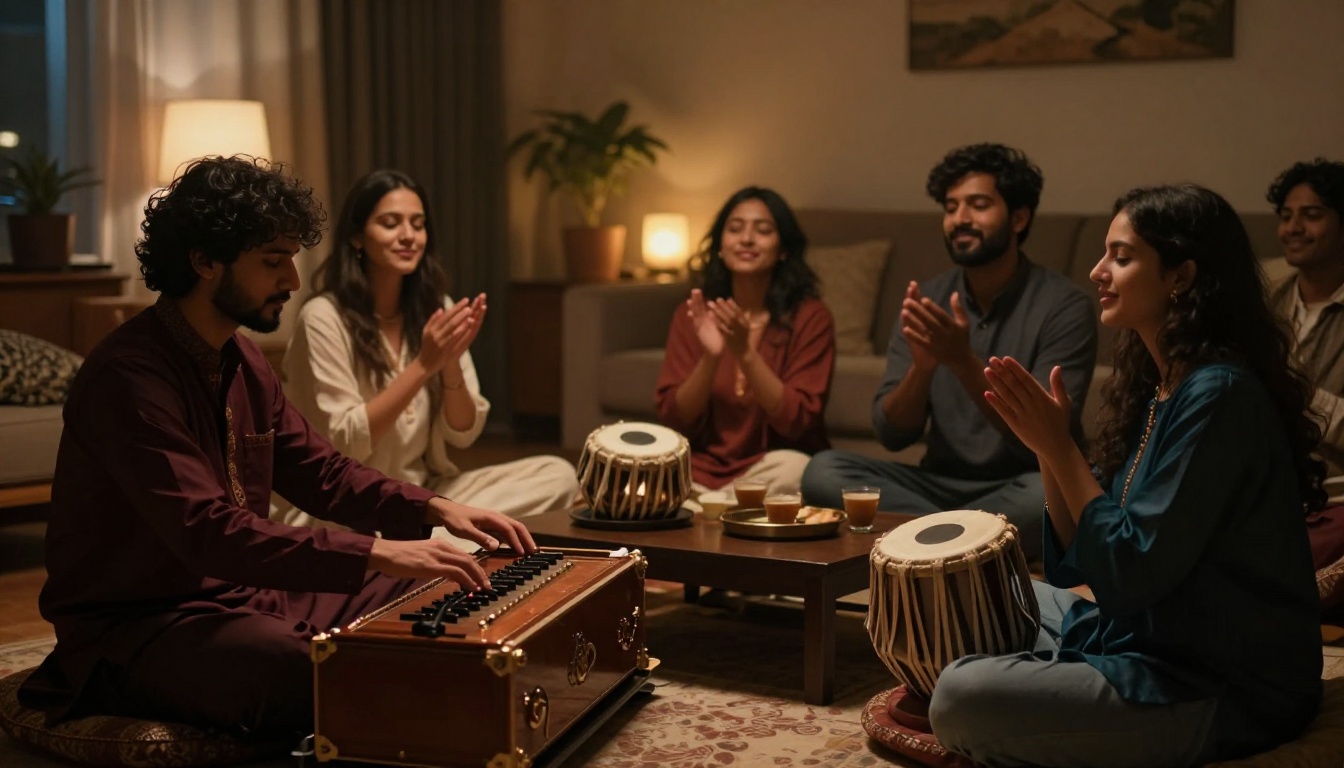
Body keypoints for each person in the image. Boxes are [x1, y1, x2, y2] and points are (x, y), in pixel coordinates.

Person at [19, 156, 536, 741]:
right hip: (142, 624)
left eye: (291, 259)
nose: (292, 280)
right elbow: (207, 531)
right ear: (205, 261)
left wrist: (432, 509)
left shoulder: (245, 363)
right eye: (273, 262)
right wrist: (376, 551)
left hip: (245, 595)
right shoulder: (129, 377)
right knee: (307, 665)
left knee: (442, 585)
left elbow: (323, 473)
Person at [930, 184, 1325, 766]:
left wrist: (1060, 445)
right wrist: (1045, 445)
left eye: (1121, 256)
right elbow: (1082, 559)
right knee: (980, 592)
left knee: (960, 695)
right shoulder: (1159, 382)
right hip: (1142, 633)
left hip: (1212, 683)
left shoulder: (1218, 394)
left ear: (1181, 276)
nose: (1096, 271)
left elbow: (1130, 571)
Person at [801, 144, 1096, 556]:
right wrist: (921, 370)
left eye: (977, 205)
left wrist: (961, 361)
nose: (960, 219)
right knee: (822, 471)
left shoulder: (1064, 306)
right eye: (951, 207)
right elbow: (892, 434)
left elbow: (1044, 439)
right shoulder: (928, 301)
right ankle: (968, 539)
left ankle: (924, 539)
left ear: (1018, 217)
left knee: (1046, 503)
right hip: (938, 485)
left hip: (1022, 482)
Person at [272, 169, 578, 536]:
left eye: (418, 225)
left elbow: (463, 432)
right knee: (363, 530)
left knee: (557, 474)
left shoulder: (434, 309)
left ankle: (442, 539)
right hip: (348, 504)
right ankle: (451, 542)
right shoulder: (323, 317)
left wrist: (448, 364)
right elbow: (343, 443)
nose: (408, 236)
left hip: (427, 496)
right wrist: (423, 365)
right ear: (356, 236)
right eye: (390, 223)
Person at [654, 186, 835, 494]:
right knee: (652, 465)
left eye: (763, 230)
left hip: (771, 470)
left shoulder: (811, 316)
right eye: (735, 229)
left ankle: (709, 507)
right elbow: (675, 419)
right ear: (720, 246)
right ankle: (720, 504)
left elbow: (797, 421)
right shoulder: (693, 314)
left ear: (783, 249)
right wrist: (711, 358)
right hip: (700, 469)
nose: (747, 239)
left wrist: (745, 354)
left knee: (797, 469)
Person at [1265, 160, 1344, 584]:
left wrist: (1293, 391)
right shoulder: (1267, 301)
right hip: (1265, 486)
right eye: (1286, 216)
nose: (1294, 227)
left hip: (1333, 496)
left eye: (1311, 215)